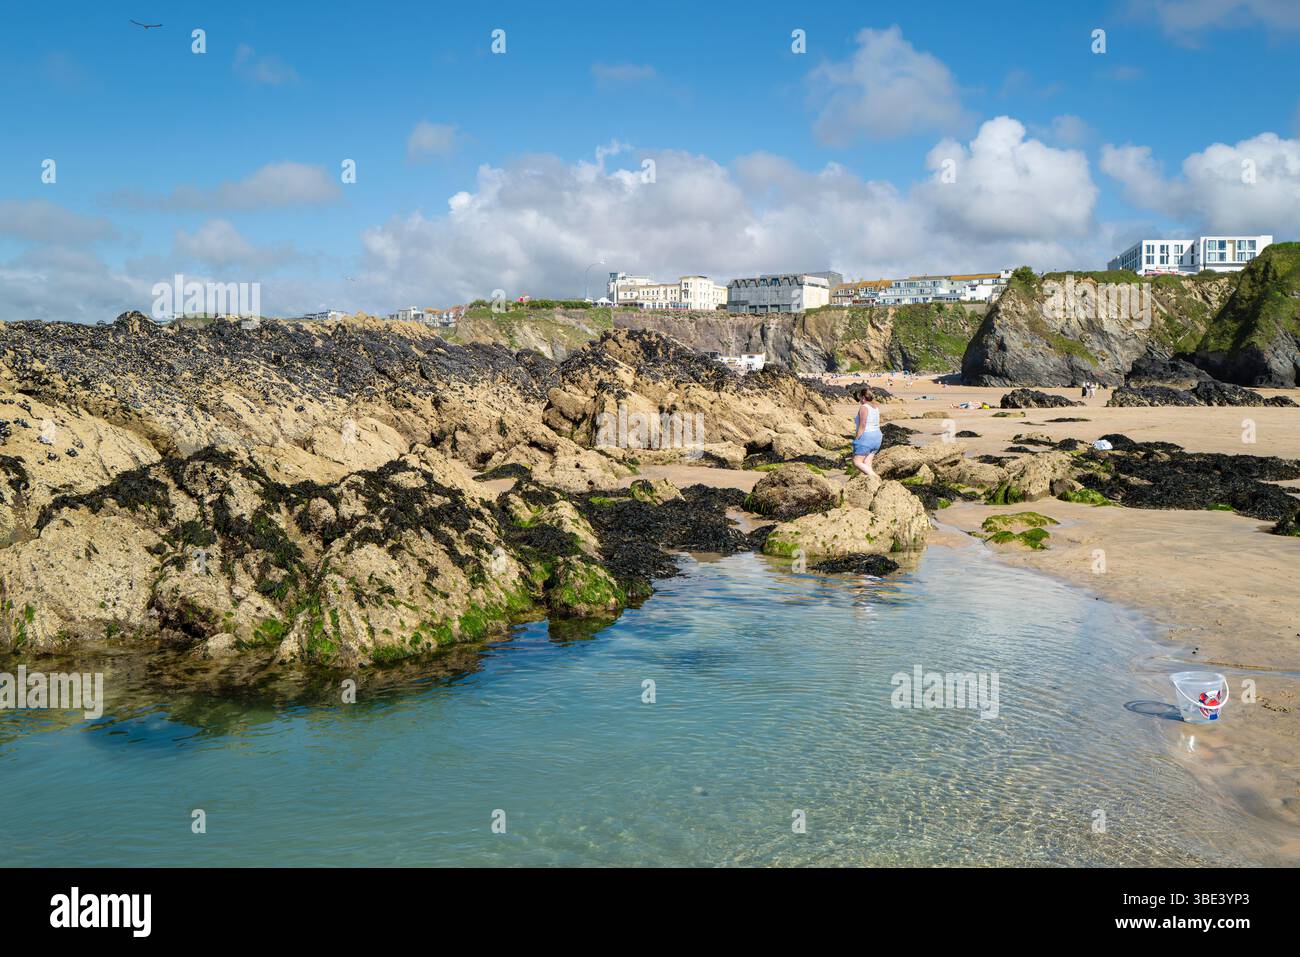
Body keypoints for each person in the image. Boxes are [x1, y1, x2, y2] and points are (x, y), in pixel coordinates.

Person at [851, 387, 882, 479]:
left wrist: (856, 439)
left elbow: (863, 425)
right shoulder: (875, 407)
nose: (859, 400)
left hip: (867, 437)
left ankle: (876, 478)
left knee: (856, 462)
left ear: (863, 397)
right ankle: (874, 483)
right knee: (866, 463)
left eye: (860, 397)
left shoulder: (864, 407)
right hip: (877, 437)